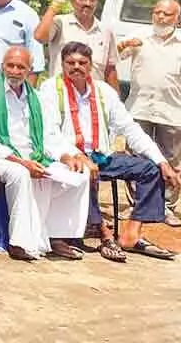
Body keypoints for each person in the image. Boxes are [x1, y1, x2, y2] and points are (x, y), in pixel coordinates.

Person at [38, 41, 179, 261]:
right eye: (71, 62)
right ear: (62, 64)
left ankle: (132, 233)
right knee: (86, 172)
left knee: (150, 169)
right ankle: (104, 234)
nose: (76, 67)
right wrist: (77, 156)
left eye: (82, 62)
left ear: (90, 64)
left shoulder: (103, 91)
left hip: (102, 156)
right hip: (67, 158)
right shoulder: (50, 89)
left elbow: (130, 128)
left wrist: (162, 161)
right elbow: (50, 134)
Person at [0, 46, 90, 260]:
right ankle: (20, 243)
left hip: (34, 157)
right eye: (11, 66)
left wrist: (66, 156)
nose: (15, 71)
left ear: (30, 70)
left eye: (21, 67)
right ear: (2, 67)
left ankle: (57, 237)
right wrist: (23, 163)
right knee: (21, 174)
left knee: (80, 173)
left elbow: (48, 138)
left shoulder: (37, 98)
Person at [120, 0, 181, 226]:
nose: (161, 17)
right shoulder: (138, 37)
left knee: (171, 160)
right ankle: (137, 205)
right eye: (157, 12)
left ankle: (166, 207)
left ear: (177, 18)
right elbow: (115, 56)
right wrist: (123, 46)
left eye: (167, 14)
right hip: (139, 107)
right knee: (136, 159)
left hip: (173, 110)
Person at [33, 0, 118, 87]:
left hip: (93, 97)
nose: (87, 4)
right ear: (73, 1)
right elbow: (40, 37)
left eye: (92, 0)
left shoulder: (105, 30)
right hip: (62, 94)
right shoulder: (60, 22)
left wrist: (116, 99)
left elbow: (110, 69)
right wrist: (53, 7)